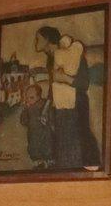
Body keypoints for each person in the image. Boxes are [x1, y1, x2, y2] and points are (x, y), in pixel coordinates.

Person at [33, 25, 102, 170]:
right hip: (60, 107)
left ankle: (92, 167)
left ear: (47, 40)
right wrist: (46, 108)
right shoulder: (51, 59)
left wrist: (63, 77)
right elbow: (53, 88)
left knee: (82, 136)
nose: (35, 42)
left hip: (77, 102)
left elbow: (83, 84)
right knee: (62, 142)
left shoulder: (72, 54)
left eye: (38, 38)